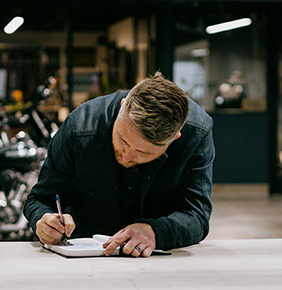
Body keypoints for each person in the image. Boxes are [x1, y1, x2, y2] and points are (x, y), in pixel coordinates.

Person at [23, 72, 214, 257]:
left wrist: (154, 231)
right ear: (123, 106)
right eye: (123, 139)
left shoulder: (195, 134)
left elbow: (196, 216)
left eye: (143, 152)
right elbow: (39, 200)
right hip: (84, 257)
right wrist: (43, 220)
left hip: (157, 261)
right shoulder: (80, 128)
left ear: (175, 138)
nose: (127, 156)